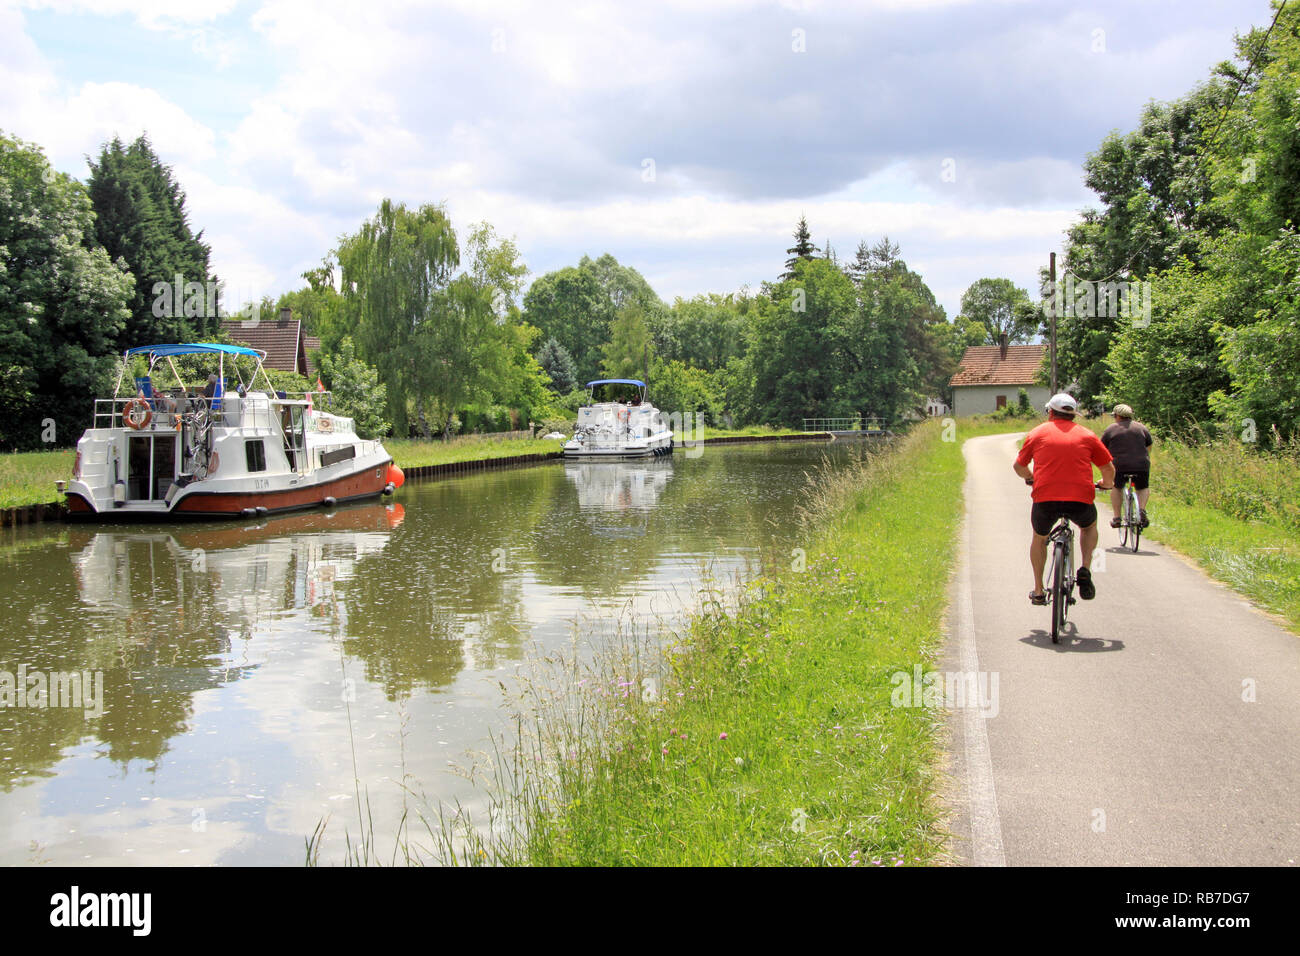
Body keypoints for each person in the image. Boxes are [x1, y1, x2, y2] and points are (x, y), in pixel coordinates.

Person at [1013, 392, 1115, 605]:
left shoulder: (1037, 433)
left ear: (1050, 411)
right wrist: (1107, 484)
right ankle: (1086, 568)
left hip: (1045, 499)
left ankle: (1039, 590)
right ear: (1074, 415)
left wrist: (1030, 478)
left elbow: (1019, 466)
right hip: (1080, 498)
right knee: (1088, 527)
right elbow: (1108, 468)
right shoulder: (1087, 435)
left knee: (1040, 539)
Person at [1101, 403, 1153, 529]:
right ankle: (1141, 510)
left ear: (1117, 416)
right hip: (1141, 465)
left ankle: (1117, 518)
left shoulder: (1111, 429)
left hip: (1119, 466)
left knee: (1117, 488)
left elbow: (1102, 449)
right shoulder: (1141, 428)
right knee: (1143, 487)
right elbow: (1149, 447)